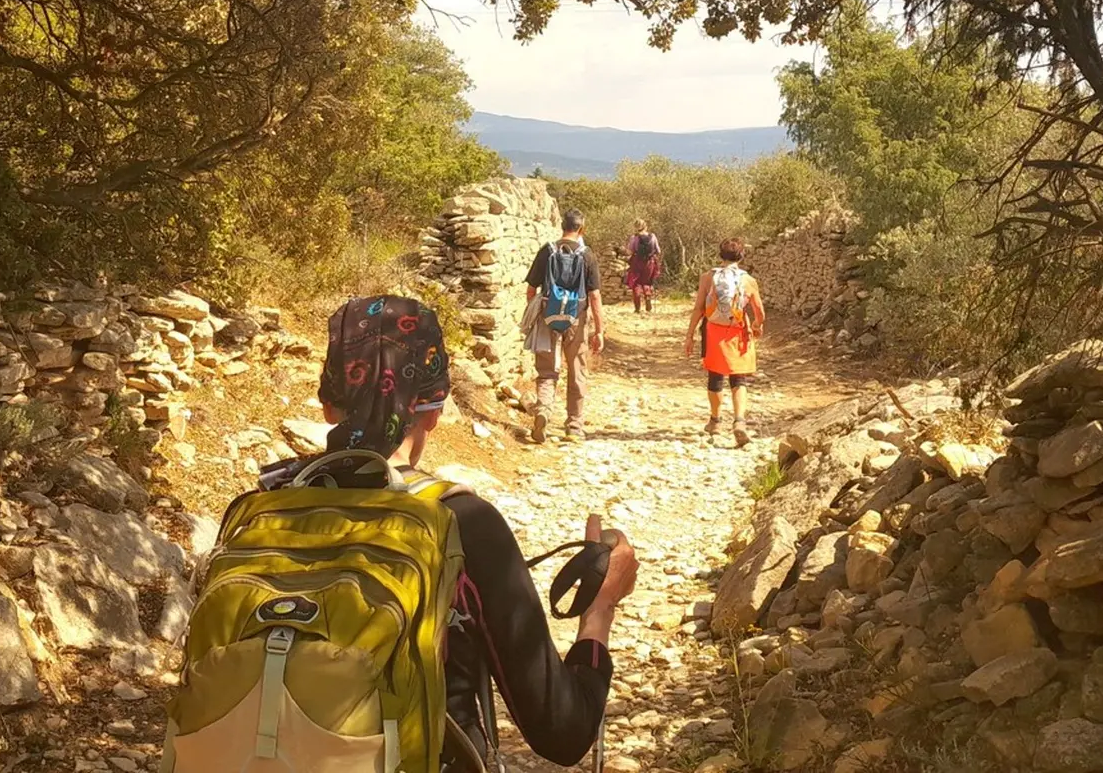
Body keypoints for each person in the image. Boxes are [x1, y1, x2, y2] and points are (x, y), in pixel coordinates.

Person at [316, 295, 638, 772]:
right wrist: (599, 609)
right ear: (433, 409)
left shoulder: (259, 510)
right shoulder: (459, 523)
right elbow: (564, 733)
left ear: (327, 405)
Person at [522, 209, 604, 443]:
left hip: (548, 317)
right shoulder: (587, 255)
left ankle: (543, 411)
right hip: (576, 319)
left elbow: (531, 289)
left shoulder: (547, 251)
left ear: (561, 226)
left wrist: (539, 313)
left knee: (547, 371)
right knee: (577, 370)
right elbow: (595, 296)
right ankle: (574, 426)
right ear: (581, 229)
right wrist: (599, 329)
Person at [684, 238, 766, 446]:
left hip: (713, 332)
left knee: (715, 376)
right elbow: (760, 312)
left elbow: (699, 308)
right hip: (737, 332)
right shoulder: (748, 281)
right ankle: (739, 422)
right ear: (741, 257)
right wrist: (757, 325)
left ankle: (715, 421)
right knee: (739, 379)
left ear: (720, 256)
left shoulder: (707, 278)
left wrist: (690, 335)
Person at [623, 219, 662, 314]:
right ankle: (648, 300)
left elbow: (630, 251)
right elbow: (658, 251)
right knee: (647, 282)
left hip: (637, 262)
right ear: (646, 226)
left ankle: (637, 308)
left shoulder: (634, 238)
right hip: (650, 262)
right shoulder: (653, 236)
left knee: (636, 283)